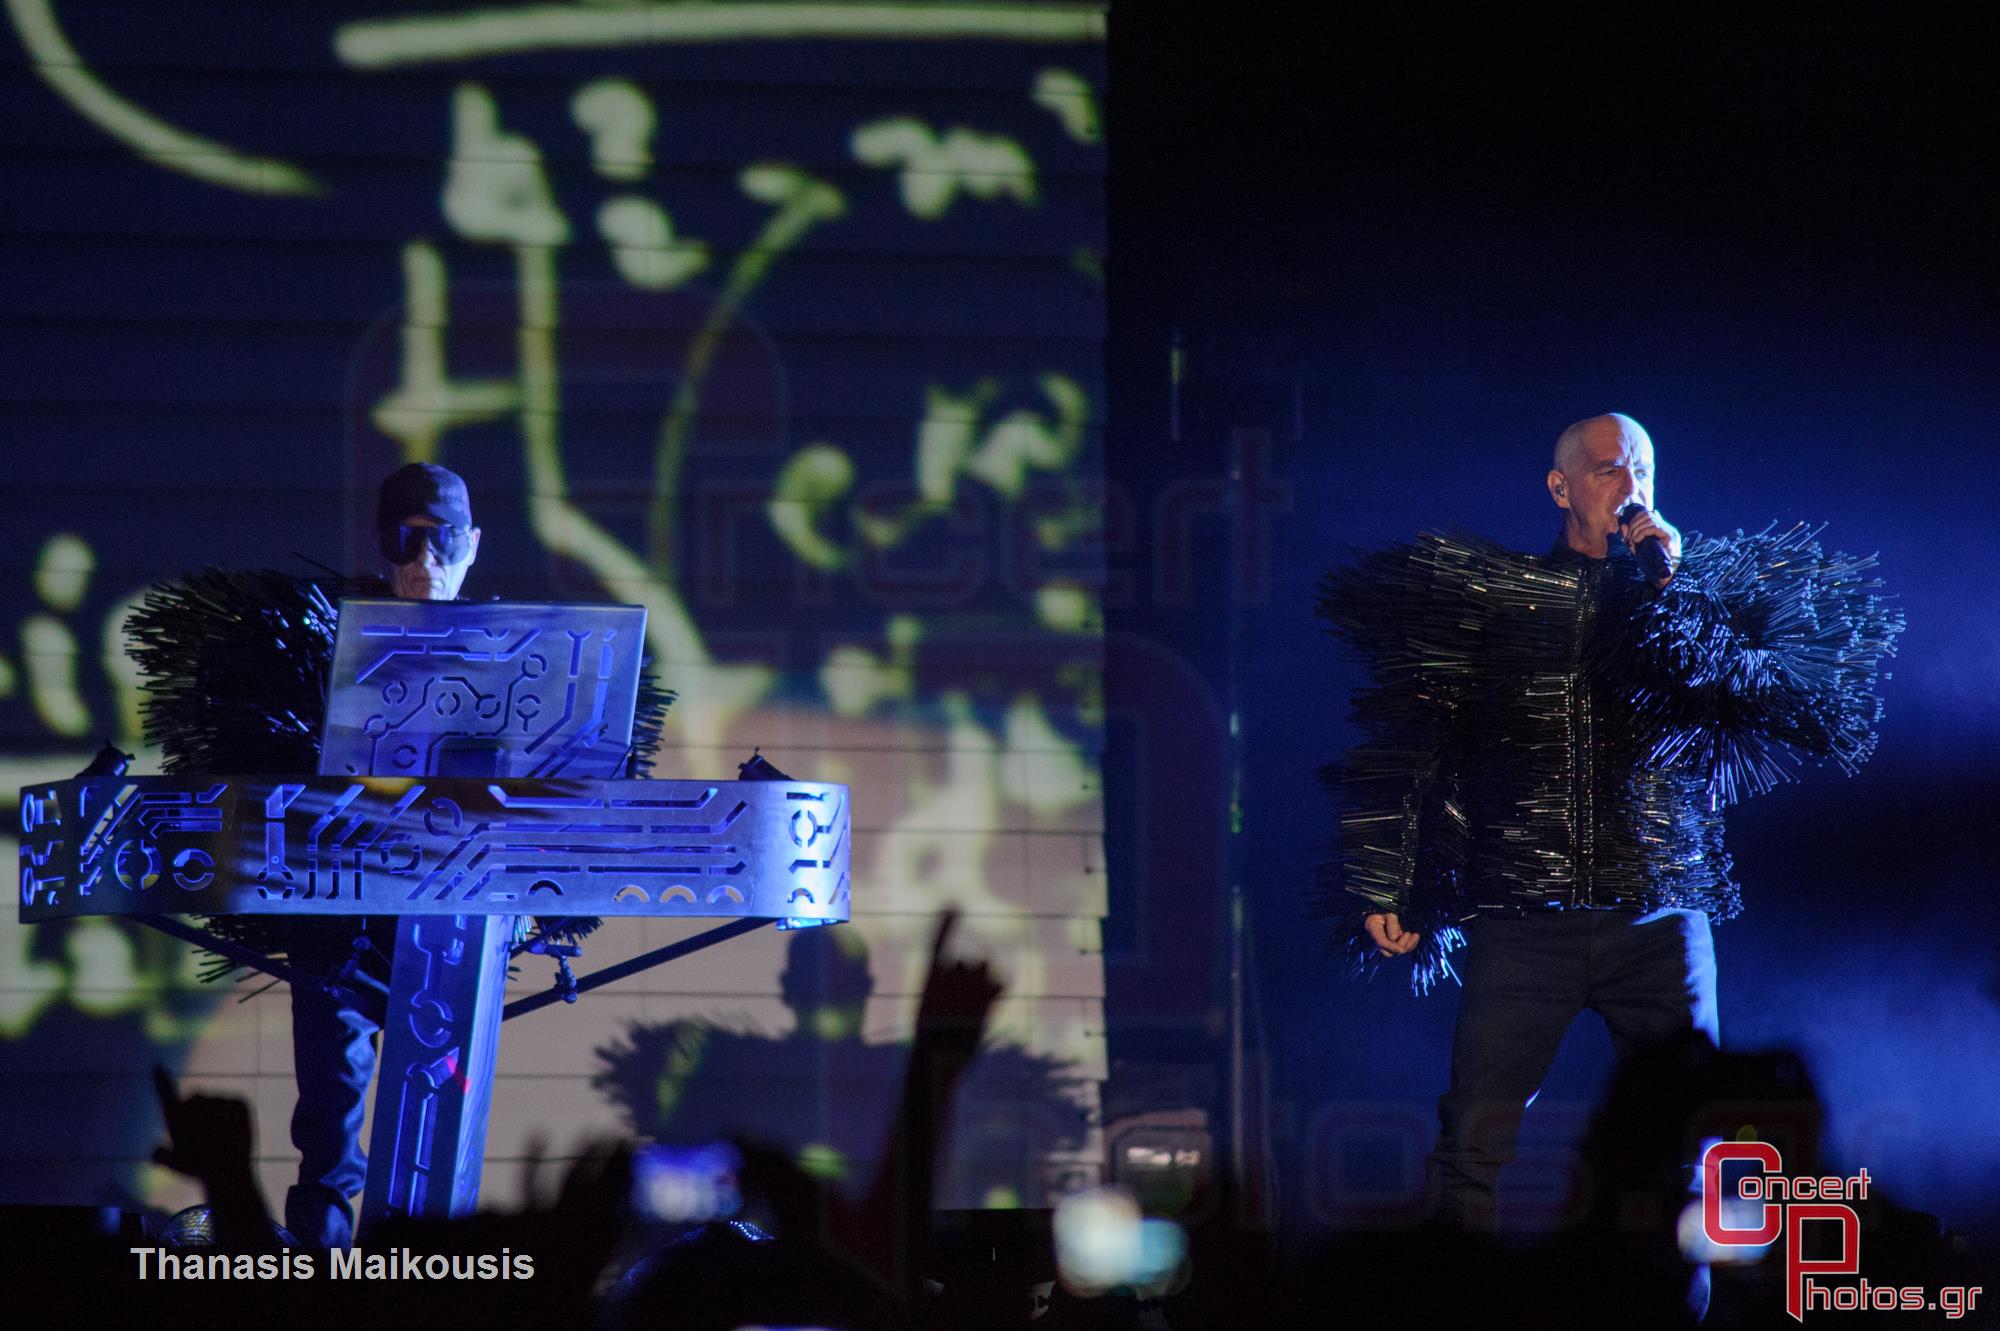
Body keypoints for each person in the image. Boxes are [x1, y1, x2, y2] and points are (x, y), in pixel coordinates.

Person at [1315, 414, 1903, 1234]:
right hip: (1524, 919)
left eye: (1644, 471)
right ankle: (1459, 1293)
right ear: (1560, 488)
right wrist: (1390, 876)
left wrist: (1673, 589)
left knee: (1693, 1144)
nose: (1632, 489)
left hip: (1658, 917)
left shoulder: (1693, 595)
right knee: (1473, 1140)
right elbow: (1422, 735)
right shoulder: (1501, 599)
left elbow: (1761, 696)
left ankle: (1668, 1293)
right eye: (1608, 470)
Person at [283, 462, 483, 1248]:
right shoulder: (323, 638)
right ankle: (319, 1280)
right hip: (337, 918)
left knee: (439, 1124)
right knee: (328, 1131)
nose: (424, 561)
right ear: (381, 544)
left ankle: (431, 1276)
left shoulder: (512, 653)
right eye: (406, 540)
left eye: (442, 542)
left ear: (472, 545)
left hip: (450, 924)